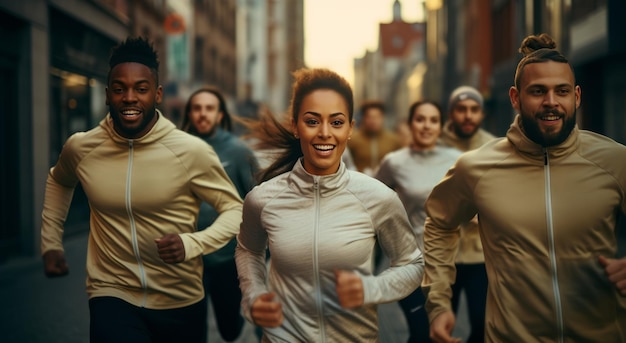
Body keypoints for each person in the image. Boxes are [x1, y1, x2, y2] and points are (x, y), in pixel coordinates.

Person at [423, 33, 626, 343]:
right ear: (515, 98)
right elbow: (439, 223)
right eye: (537, 92)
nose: (551, 102)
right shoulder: (477, 167)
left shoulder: (614, 160)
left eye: (562, 91)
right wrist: (438, 302)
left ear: (578, 96)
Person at [40, 36, 244, 343]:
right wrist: (51, 242)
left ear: (158, 94)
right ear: (108, 95)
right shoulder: (83, 147)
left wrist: (193, 243)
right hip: (111, 293)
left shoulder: (190, 151)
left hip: (180, 300)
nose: (130, 97)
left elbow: (235, 210)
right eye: (120, 89)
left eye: (141, 88)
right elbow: (59, 179)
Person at [234, 67, 424, 342]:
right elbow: (248, 250)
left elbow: (411, 264)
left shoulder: (378, 198)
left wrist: (370, 288)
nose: (325, 133)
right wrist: (253, 296)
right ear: (295, 126)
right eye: (312, 121)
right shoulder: (263, 198)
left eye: (336, 122)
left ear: (350, 128)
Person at [375, 100, 461, 343]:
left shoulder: (456, 160)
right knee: (421, 332)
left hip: (446, 264)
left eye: (433, 120)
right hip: (407, 262)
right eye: (420, 119)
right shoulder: (394, 162)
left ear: (441, 126)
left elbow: (474, 198)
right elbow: (371, 198)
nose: (426, 126)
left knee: (439, 333)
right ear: (410, 124)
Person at [181, 86, 260, 342]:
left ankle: (233, 321)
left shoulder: (238, 151)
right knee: (191, 329)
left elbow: (255, 199)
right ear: (189, 113)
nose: (202, 114)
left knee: (229, 329)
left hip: (227, 257)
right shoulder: (176, 148)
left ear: (220, 114)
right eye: (197, 108)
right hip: (187, 258)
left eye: (209, 108)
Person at [435, 84, 495, 343]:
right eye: (461, 109)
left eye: (474, 109)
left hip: (480, 256)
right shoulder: (432, 146)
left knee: (483, 328)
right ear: (451, 113)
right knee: (436, 329)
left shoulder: (494, 147)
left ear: (482, 114)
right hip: (440, 257)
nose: (468, 115)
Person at [347, 100, 403, 176]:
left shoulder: (393, 140)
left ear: (383, 117)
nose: (373, 121)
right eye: (370, 117)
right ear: (364, 118)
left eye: (377, 117)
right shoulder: (352, 139)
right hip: (360, 181)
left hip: (386, 183)